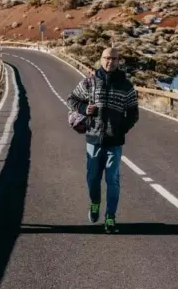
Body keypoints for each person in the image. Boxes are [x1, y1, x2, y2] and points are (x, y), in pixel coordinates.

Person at [67, 47, 139, 233]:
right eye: (107, 58)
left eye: (114, 59)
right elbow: (72, 99)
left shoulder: (126, 86)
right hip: (93, 139)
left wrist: (123, 127)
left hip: (114, 142)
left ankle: (110, 217)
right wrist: (84, 109)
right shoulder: (90, 83)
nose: (110, 62)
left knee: (112, 180)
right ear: (100, 59)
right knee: (92, 179)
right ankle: (95, 203)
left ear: (119, 61)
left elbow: (133, 112)